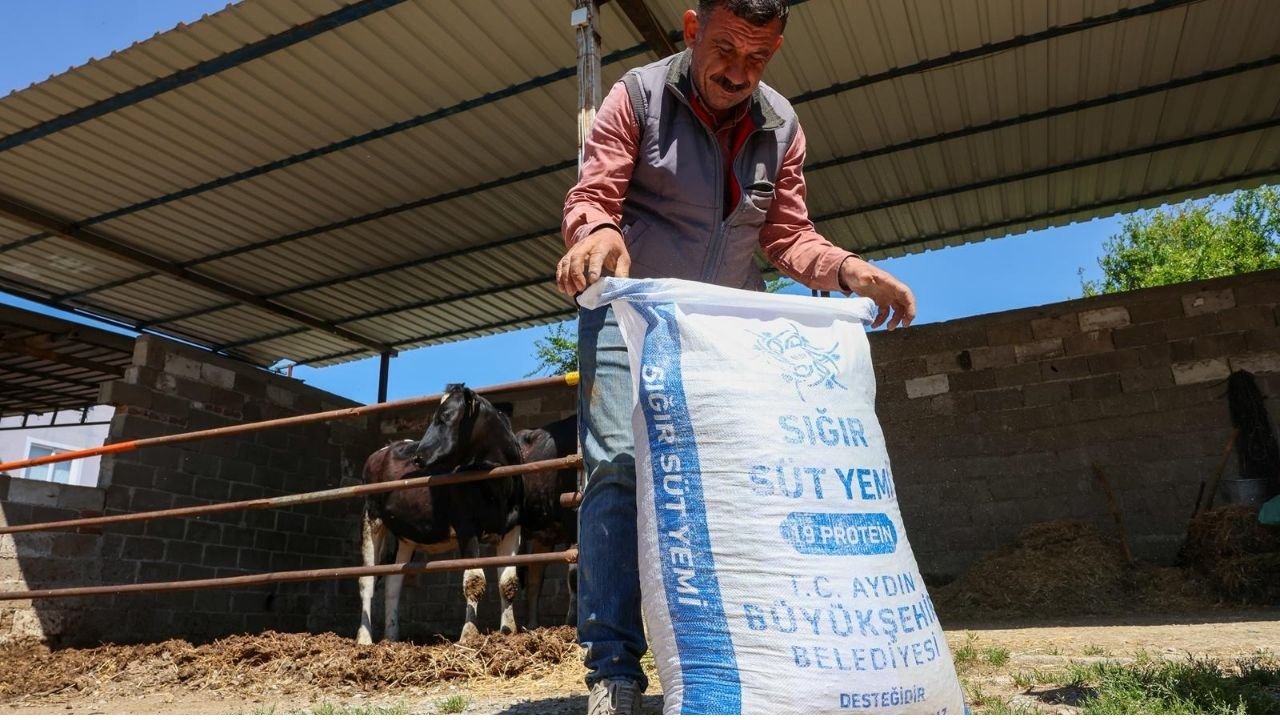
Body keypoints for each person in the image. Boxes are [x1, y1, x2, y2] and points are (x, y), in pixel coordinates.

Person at [555, 0, 916, 713]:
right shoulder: (636, 98)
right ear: (692, 29)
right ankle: (614, 669)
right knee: (620, 469)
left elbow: (787, 235)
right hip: (632, 316)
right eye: (725, 49)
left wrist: (847, 270)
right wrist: (596, 232)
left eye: (759, 58)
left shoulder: (780, 124)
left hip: (723, 329)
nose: (739, 72)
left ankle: (744, 658)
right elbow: (593, 194)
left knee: (736, 481)